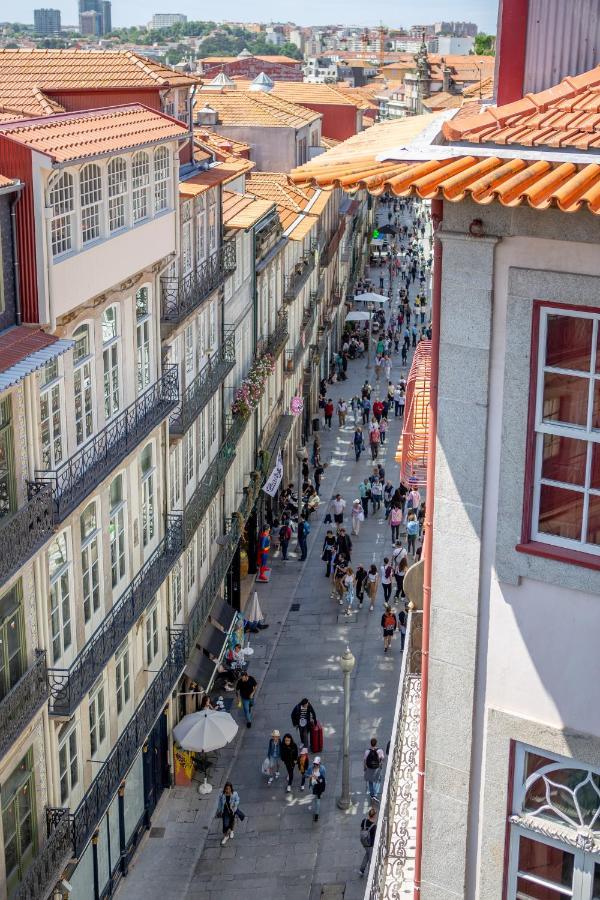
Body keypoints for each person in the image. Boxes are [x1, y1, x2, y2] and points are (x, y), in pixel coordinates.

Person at [217, 782, 241, 846]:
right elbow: (220, 803)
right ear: (225, 789)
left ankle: (232, 831)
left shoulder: (234, 794)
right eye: (226, 789)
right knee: (225, 825)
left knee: (232, 821)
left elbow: (238, 800)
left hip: (232, 811)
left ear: (231, 789)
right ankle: (226, 836)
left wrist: (234, 804)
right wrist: (219, 811)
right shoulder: (222, 795)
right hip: (225, 812)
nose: (227, 790)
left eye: (229, 789)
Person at [359, 808, 378, 876]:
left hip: (363, 842)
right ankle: (371, 873)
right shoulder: (374, 826)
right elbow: (374, 837)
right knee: (371, 859)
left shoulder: (364, 821)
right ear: (374, 816)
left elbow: (361, 829)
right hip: (370, 844)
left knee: (367, 855)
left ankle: (361, 870)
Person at [309, 757, 327, 822]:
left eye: (317, 764)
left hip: (319, 786)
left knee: (317, 801)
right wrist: (310, 776)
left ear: (319, 763)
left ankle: (317, 814)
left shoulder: (322, 769)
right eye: (314, 763)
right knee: (316, 797)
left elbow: (323, 779)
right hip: (313, 785)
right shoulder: (311, 768)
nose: (315, 765)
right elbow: (308, 774)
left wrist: (317, 778)